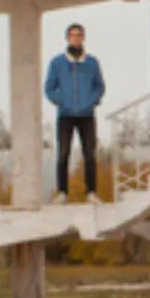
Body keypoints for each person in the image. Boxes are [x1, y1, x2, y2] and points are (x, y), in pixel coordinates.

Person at [44, 24, 106, 205]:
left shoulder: (92, 62)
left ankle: (91, 192)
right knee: (63, 153)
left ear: (83, 38)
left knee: (90, 153)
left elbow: (100, 86)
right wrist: (61, 101)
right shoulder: (57, 63)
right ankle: (62, 191)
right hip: (65, 115)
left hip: (86, 115)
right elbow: (49, 87)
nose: (76, 39)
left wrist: (91, 101)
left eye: (79, 35)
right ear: (67, 38)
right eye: (72, 35)